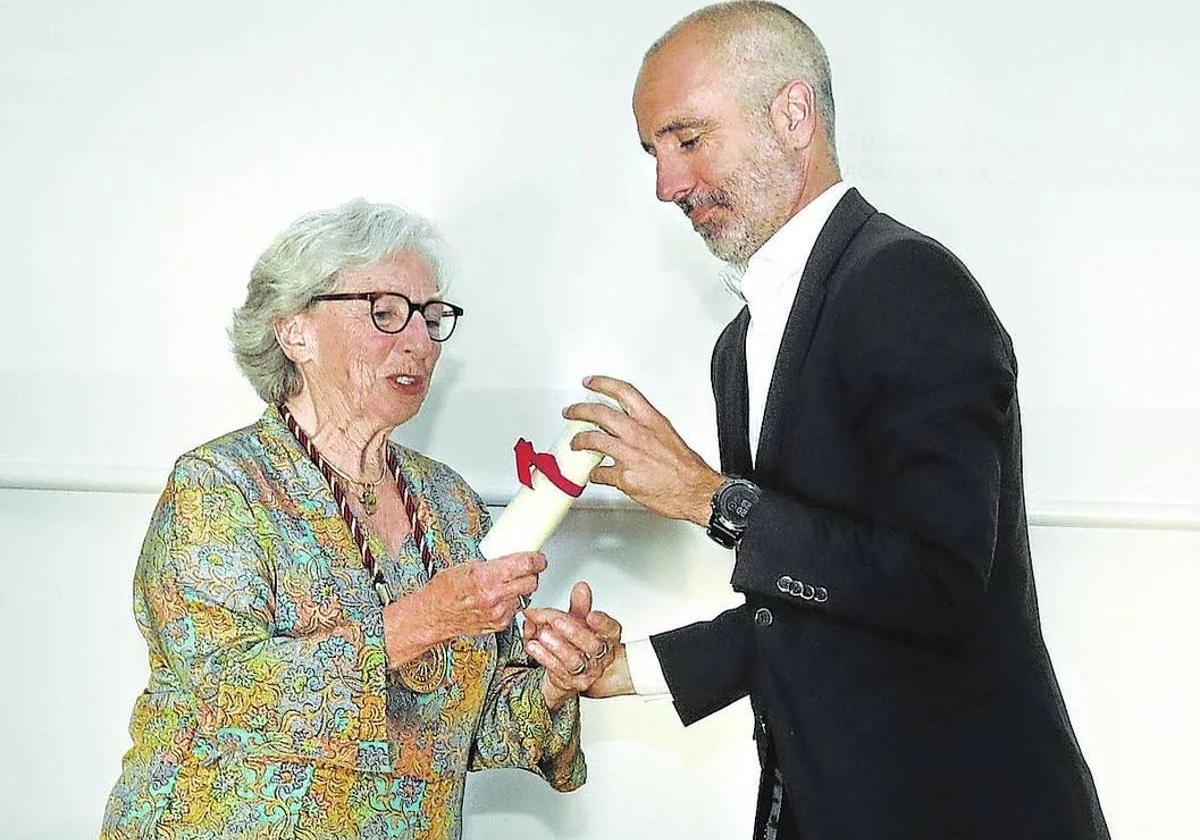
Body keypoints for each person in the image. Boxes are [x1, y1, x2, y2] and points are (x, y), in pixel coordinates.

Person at [531, 3, 1110, 838]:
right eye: (653, 153)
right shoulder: (738, 346)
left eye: (687, 140)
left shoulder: (908, 284)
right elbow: (813, 604)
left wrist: (711, 498)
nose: (667, 186)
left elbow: (937, 584)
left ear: (792, 116)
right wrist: (629, 669)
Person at [99, 198, 622, 840]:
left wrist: (552, 680)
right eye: (385, 313)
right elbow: (222, 697)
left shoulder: (448, 502)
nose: (419, 343)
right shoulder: (221, 486)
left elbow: (454, 730)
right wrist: (421, 621)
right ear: (295, 331)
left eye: (432, 319)